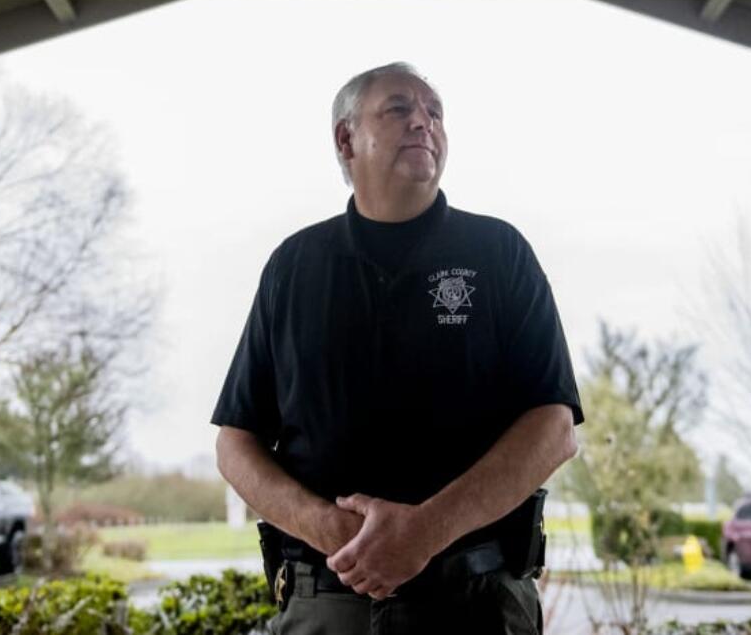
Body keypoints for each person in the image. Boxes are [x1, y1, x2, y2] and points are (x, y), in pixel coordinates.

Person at [212, 62, 583, 635]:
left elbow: (554, 428)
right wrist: (331, 530)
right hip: (325, 603)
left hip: (476, 604)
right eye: (399, 109)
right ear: (345, 138)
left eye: (435, 113)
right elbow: (236, 443)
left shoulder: (499, 253)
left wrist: (426, 531)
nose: (423, 123)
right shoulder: (294, 266)